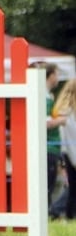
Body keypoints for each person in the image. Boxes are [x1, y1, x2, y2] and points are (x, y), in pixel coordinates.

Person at [29, 62, 67, 207]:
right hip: (47, 147)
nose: (58, 78)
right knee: (47, 186)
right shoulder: (43, 96)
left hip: (52, 147)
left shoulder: (48, 96)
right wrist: (61, 120)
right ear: (50, 76)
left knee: (51, 184)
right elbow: (44, 123)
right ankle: (48, 212)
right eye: (56, 74)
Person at [53, 78, 76, 220]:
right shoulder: (67, 111)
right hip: (70, 151)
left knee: (72, 187)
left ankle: (69, 215)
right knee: (73, 187)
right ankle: (65, 213)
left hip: (67, 152)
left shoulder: (62, 109)